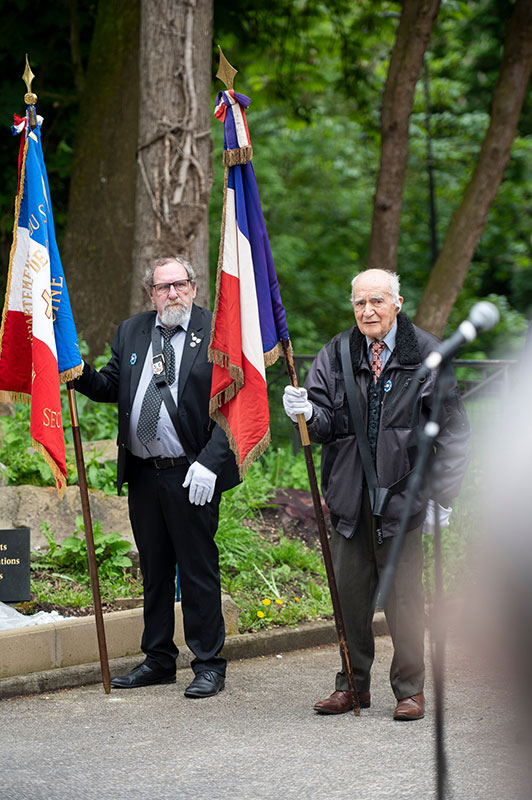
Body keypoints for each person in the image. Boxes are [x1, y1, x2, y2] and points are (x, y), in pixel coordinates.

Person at [282, 268, 470, 720]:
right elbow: (327, 424)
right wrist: (306, 413)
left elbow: (454, 435)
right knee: (350, 599)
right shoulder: (338, 352)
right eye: (360, 303)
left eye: (377, 301)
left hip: (405, 503)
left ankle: (410, 690)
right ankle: (352, 686)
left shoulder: (427, 354)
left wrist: (443, 497)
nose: (368, 311)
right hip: (350, 499)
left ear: (397, 303)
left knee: (404, 600)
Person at [75, 256, 239, 697]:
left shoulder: (216, 332)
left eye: (179, 285)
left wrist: (211, 461)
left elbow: (234, 405)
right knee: (154, 569)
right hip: (145, 473)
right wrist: (77, 371)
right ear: (151, 293)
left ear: (193, 287)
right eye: (162, 287)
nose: (172, 294)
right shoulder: (132, 330)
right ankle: (159, 658)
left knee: (197, 568)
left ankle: (208, 663)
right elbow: (112, 387)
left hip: (193, 471)